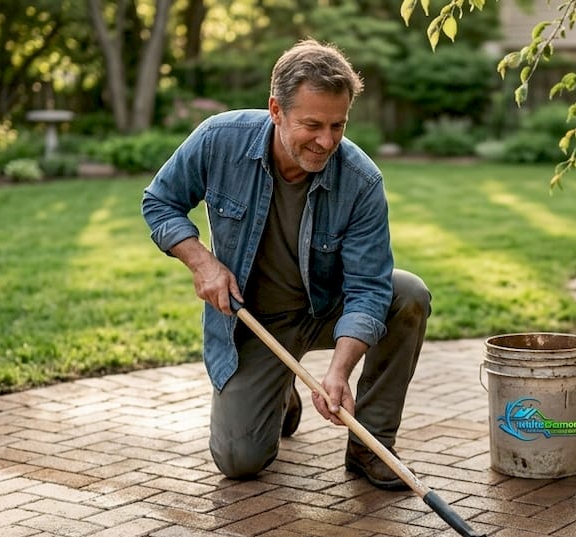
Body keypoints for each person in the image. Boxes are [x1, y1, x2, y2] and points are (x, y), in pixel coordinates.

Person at [141, 39, 431, 490]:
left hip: (327, 307)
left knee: (407, 294)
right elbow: (160, 202)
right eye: (312, 124)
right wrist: (203, 263)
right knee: (238, 461)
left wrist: (338, 371)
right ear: (276, 110)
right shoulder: (219, 140)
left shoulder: (360, 179)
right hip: (256, 321)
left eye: (338, 125)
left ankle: (370, 445)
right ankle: (278, 390)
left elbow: (369, 289)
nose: (327, 140)